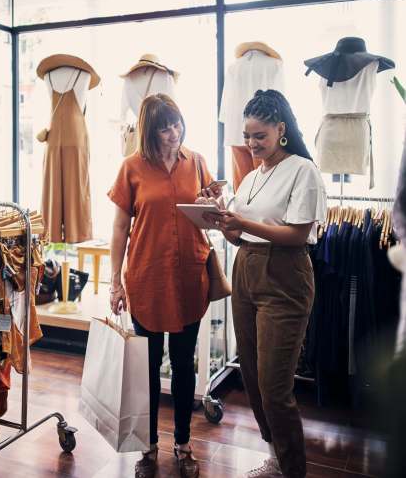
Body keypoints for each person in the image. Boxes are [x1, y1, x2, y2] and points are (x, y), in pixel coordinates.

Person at [202, 89, 326, 478]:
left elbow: (298, 234)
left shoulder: (302, 170)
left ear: (281, 129)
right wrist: (220, 217)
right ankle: (276, 454)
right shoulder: (253, 177)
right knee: (252, 377)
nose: (252, 144)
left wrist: (244, 224)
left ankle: (293, 470)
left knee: (274, 385)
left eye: (260, 136)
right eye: (248, 136)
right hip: (246, 270)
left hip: (285, 275)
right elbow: (240, 237)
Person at [108, 93, 220, 478]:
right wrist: (114, 283)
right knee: (149, 367)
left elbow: (210, 218)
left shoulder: (198, 162)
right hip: (147, 278)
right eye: (163, 127)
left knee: (185, 364)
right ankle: (149, 445)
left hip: (190, 276)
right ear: (149, 131)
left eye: (176, 123)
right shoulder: (131, 168)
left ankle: (184, 443)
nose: (173, 133)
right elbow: (121, 229)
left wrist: (212, 205)